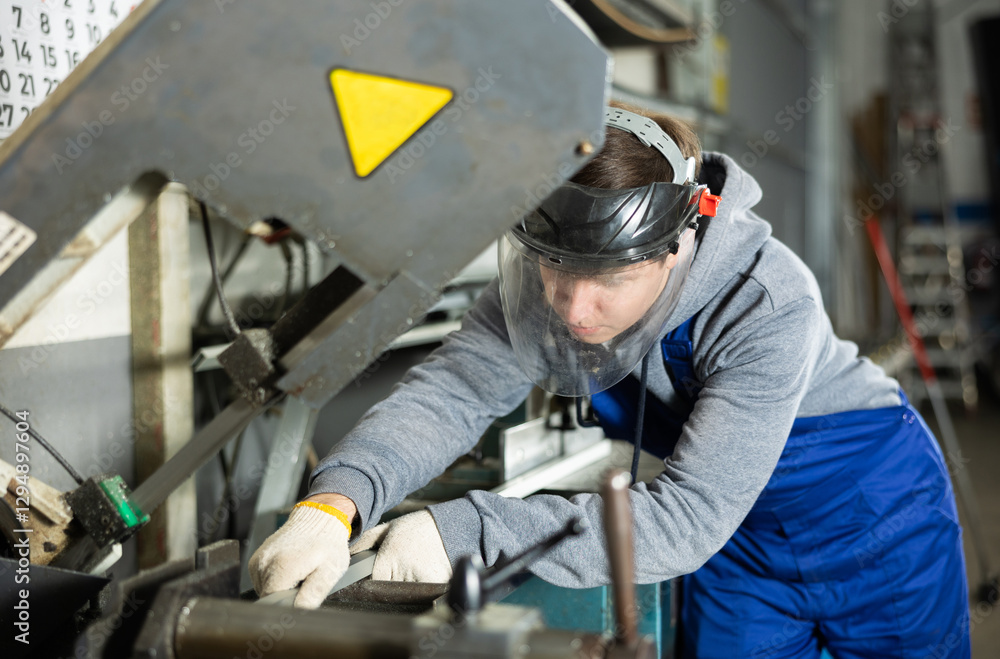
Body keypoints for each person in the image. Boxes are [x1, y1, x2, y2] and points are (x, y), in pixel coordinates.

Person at [249, 103, 971, 658]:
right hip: (739, 541)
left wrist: (468, 529)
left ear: (678, 246)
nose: (573, 307)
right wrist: (336, 502)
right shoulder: (551, 282)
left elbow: (686, 517)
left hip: (873, 513)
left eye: (612, 281)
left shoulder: (766, 300)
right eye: (555, 271)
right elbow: (453, 393)